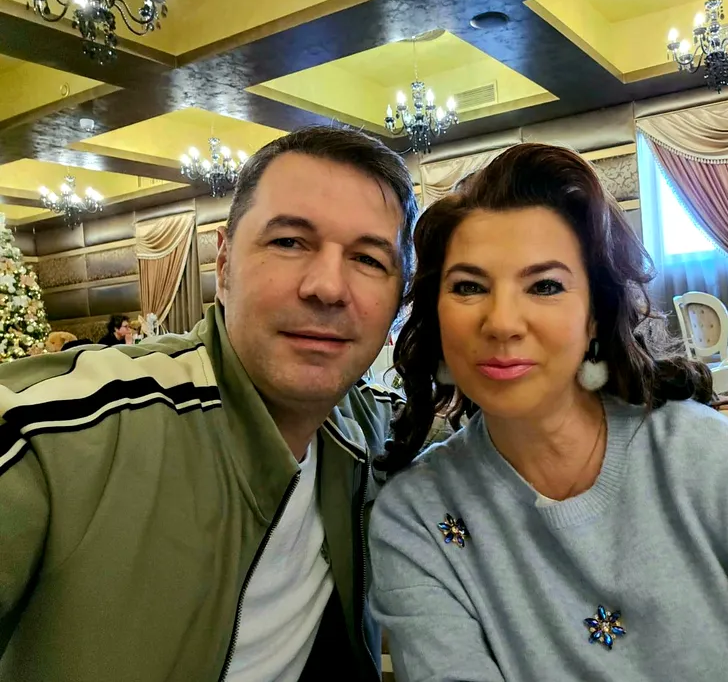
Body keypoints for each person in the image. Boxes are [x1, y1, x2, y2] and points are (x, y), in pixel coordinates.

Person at [369, 143, 728, 681]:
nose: (501, 323)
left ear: (595, 314)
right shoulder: (418, 517)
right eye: (469, 287)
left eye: (544, 286)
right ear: (436, 313)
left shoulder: (701, 456)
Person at [0, 125, 417, 682]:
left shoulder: (368, 429)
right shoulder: (62, 433)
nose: (327, 287)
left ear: (399, 299)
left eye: (368, 259)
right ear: (223, 266)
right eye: (289, 242)